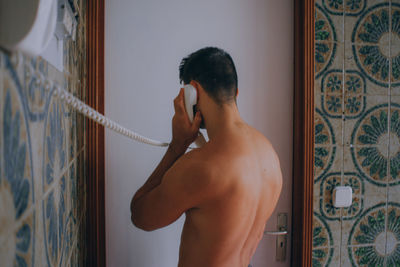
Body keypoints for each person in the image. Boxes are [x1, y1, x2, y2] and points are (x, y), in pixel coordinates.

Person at [130, 47, 282, 267]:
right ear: (235, 93)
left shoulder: (202, 166)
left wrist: (177, 146)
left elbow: (140, 216)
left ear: (194, 92)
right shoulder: (270, 156)